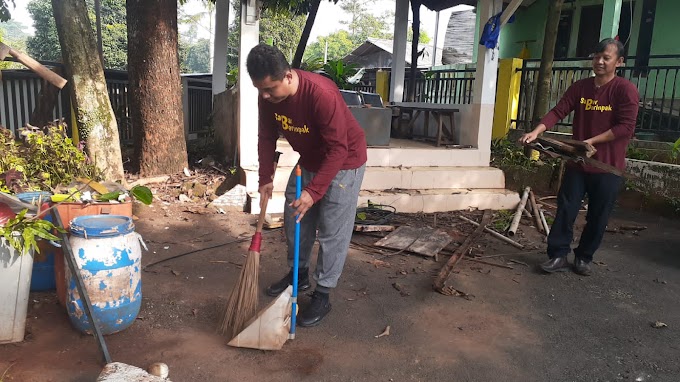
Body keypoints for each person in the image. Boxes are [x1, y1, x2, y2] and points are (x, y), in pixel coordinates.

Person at [246, 44, 367, 326]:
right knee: (294, 218)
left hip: (346, 160)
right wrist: (265, 178)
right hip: (310, 159)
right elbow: (266, 136)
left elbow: (339, 148)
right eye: (259, 90)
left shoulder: (321, 94)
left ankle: (323, 293)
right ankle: (298, 274)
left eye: (270, 89)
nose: (265, 96)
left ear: (288, 76)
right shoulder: (267, 97)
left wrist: (314, 193)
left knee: (332, 230)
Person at [519, 38, 639, 276]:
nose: (600, 61)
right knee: (566, 209)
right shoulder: (581, 88)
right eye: (597, 56)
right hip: (578, 164)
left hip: (608, 167)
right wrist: (536, 132)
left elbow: (626, 127)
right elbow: (558, 110)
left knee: (598, 216)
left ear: (620, 62)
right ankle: (558, 255)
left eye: (606, 57)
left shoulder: (625, 90)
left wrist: (592, 141)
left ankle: (584, 257)